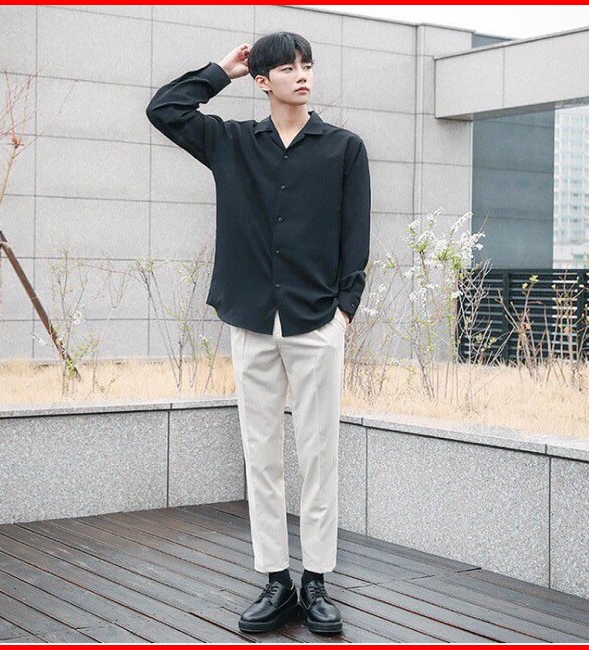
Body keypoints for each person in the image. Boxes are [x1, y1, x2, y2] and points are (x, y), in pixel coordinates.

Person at [146, 31, 370, 635]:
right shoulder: (232, 142)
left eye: (307, 65)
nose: (302, 75)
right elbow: (164, 109)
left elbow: (356, 239)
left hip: (316, 322)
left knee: (320, 454)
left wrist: (343, 313)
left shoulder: (345, 149)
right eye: (288, 68)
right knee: (261, 457)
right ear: (263, 80)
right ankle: (275, 580)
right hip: (250, 320)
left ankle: (316, 581)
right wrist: (223, 70)